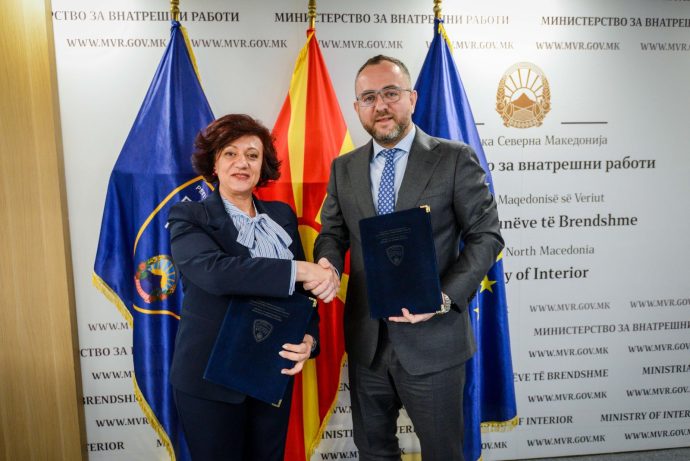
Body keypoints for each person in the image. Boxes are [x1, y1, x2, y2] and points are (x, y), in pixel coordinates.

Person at [312, 55, 504, 460]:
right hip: (368, 343)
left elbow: (486, 236)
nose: (380, 105)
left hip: (435, 340)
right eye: (369, 97)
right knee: (374, 451)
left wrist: (442, 297)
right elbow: (332, 233)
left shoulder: (454, 158)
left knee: (442, 453)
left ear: (411, 98)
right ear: (357, 107)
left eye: (390, 93)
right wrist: (328, 262)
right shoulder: (344, 168)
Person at [167, 114, 338, 460]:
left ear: (263, 166)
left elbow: (300, 294)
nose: (242, 163)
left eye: (252, 155)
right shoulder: (189, 216)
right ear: (214, 164)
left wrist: (309, 339)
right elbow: (217, 274)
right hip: (209, 379)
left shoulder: (281, 216)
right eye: (230, 153)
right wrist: (299, 268)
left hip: (270, 370)